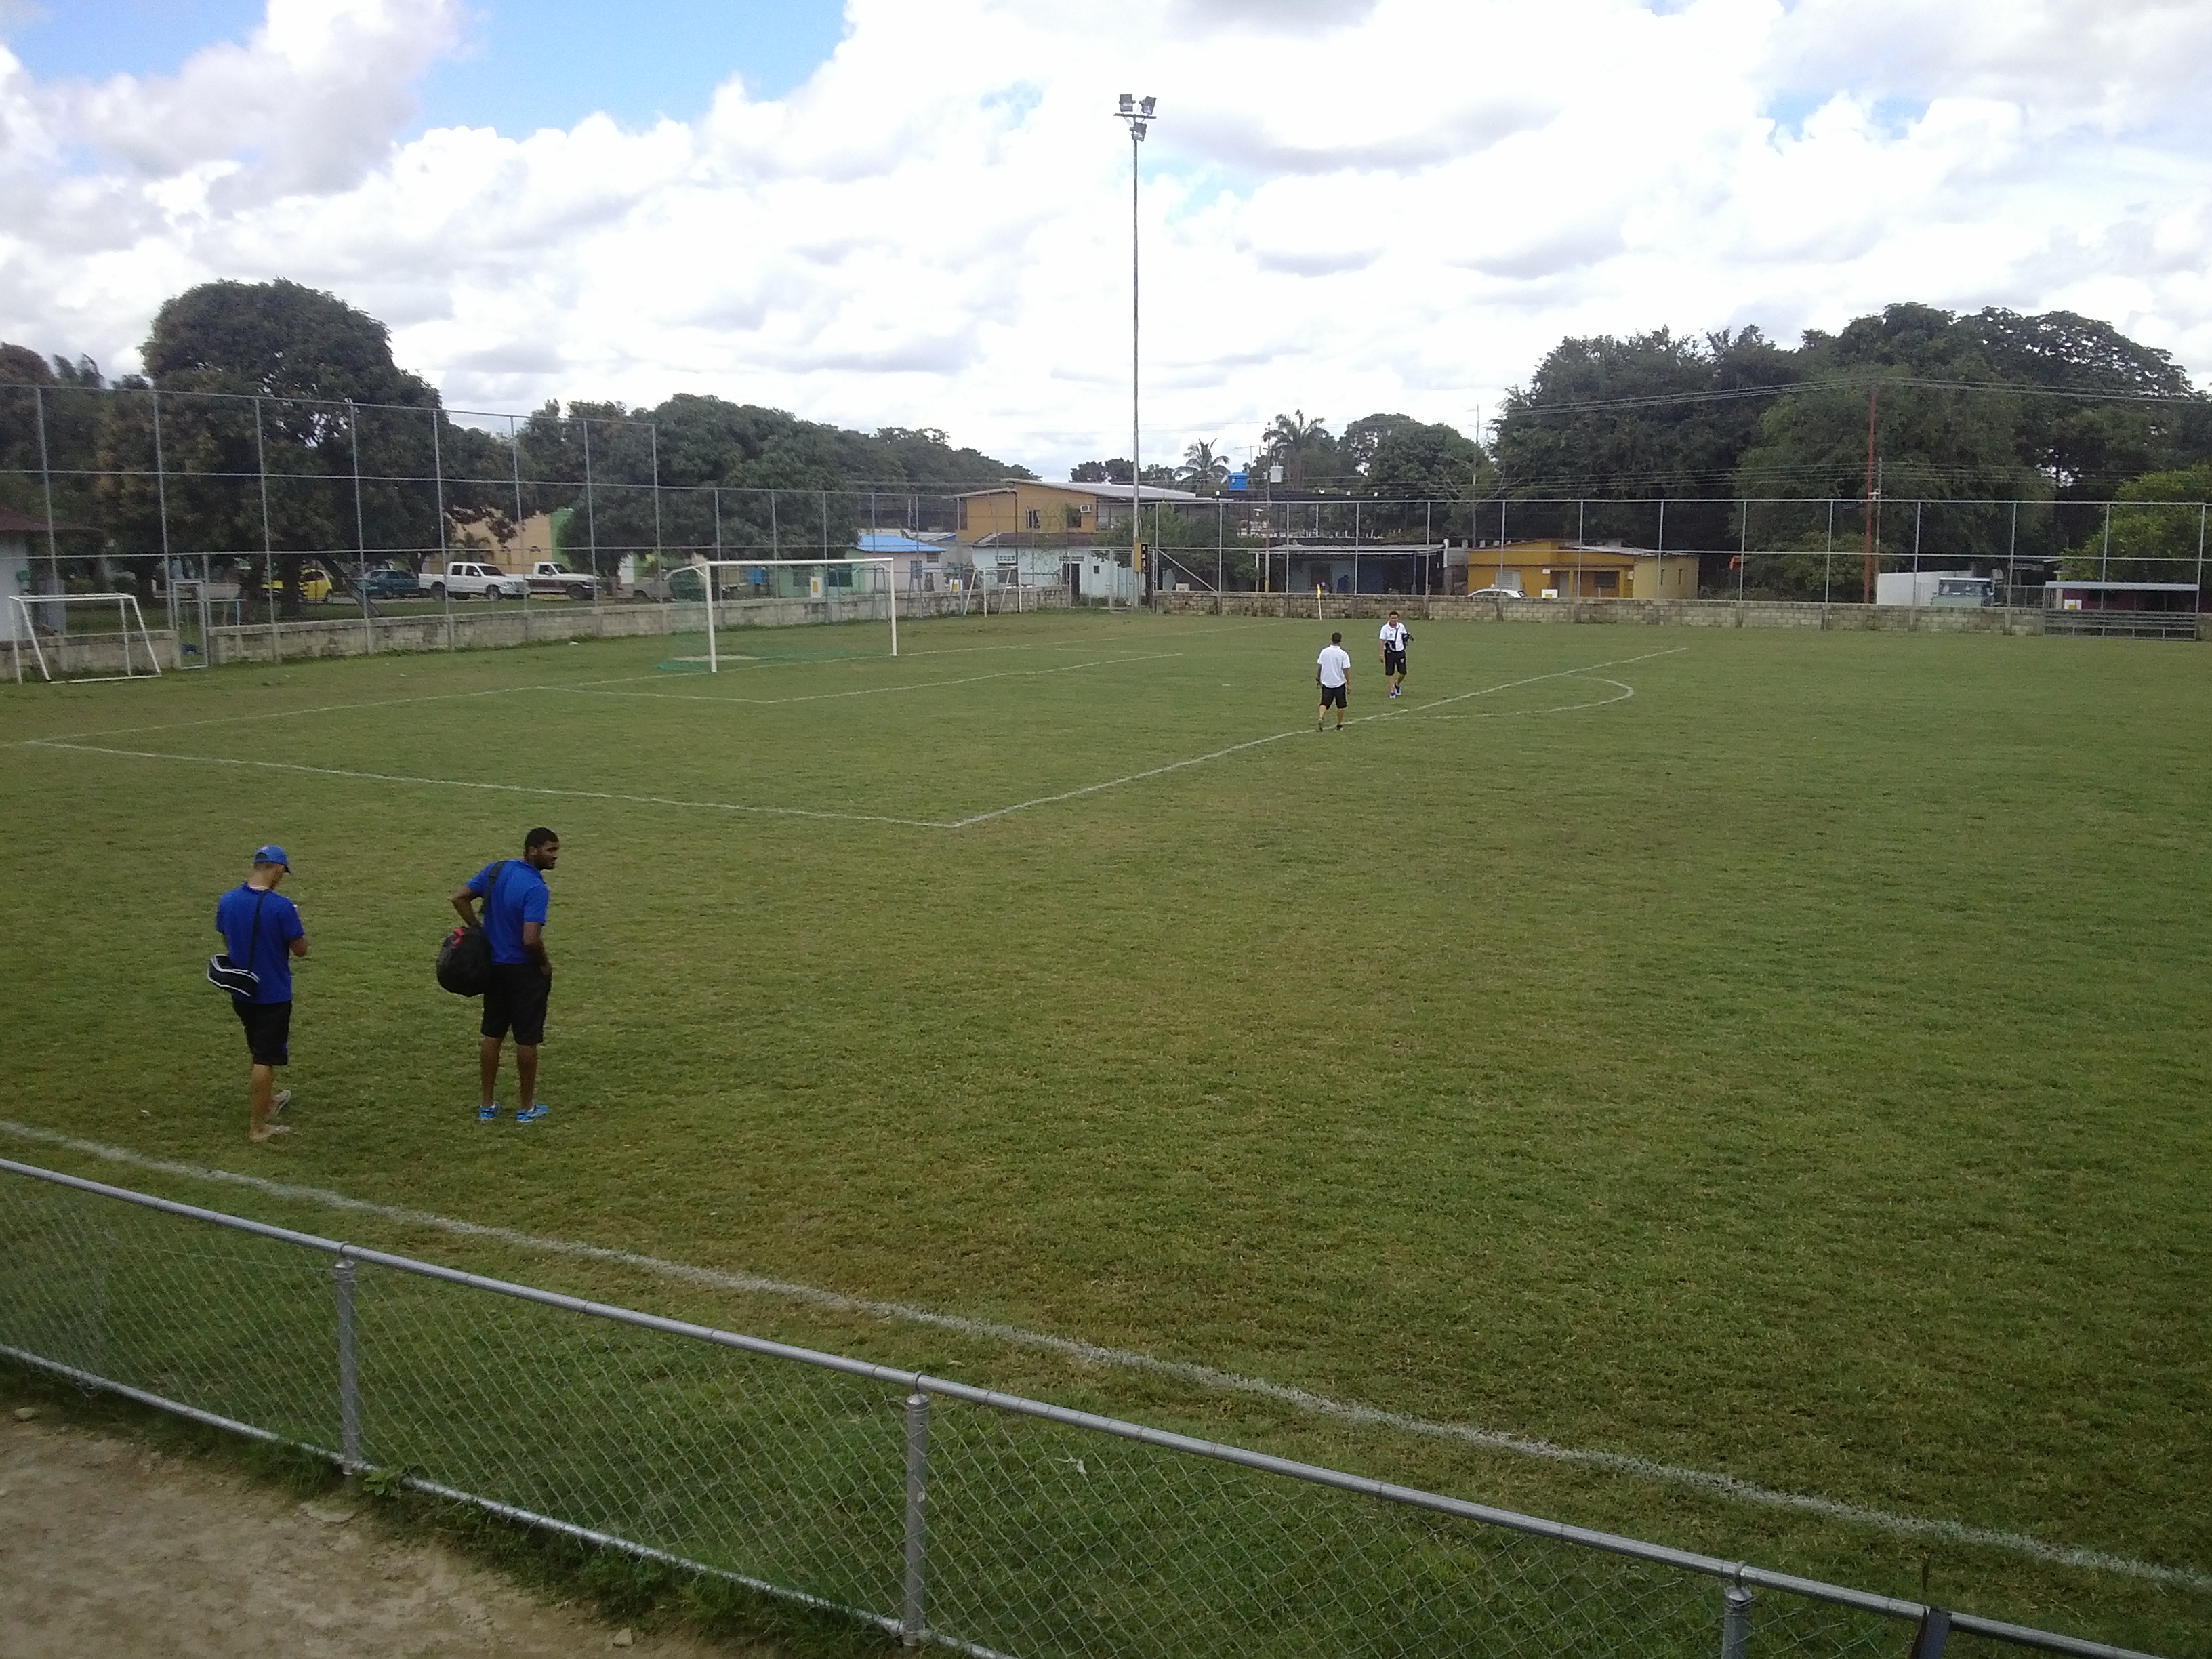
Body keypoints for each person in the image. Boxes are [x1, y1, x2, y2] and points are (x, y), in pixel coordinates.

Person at [452, 827, 560, 1124]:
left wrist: (479, 929)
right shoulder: (536, 889)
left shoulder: (497, 870)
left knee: (492, 1033)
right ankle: (527, 1108)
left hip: (493, 967)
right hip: (523, 971)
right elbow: (530, 939)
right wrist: (544, 965)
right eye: (550, 850)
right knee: (527, 1038)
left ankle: (487, 1104)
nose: (555, 857)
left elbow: (460, 897)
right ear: (532, 850)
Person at [214, 844, 308, 1144]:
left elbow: (228, 939)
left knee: (257, 1048)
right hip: (273, 992)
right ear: (278, 869)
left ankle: (268, 1101)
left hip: (242, 990)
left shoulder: (227, 901)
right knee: (264, 1057)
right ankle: (258, 1127)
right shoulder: (281, 907)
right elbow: (301, 950)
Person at [1316, 631, 1352, 730]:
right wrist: (1349, 684)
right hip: (1339, 683)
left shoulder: (1324, 652)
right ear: (1340, 641)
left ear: (1331, 640)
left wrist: (1318, 678)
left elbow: (1320, 666)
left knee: (1324, 703)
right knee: (1341, 705)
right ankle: (1339, 724)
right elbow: (1346, 670)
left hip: (1326, 682)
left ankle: (1321, 717)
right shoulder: (1343, 654)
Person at [1379, 611, 1410, 698]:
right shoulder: (1385, 628)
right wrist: (1381, 654)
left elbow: (1404, 636)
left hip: (1400, 652)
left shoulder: (1401, 627)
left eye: (1395, 618)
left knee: (1403, 672)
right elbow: (1382, 641)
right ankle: (1392, 691)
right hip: (1389, 652)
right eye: (1392, 618)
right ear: (1389, 618)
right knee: (1390, 672)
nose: (1394, 620)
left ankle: (1397, 685)